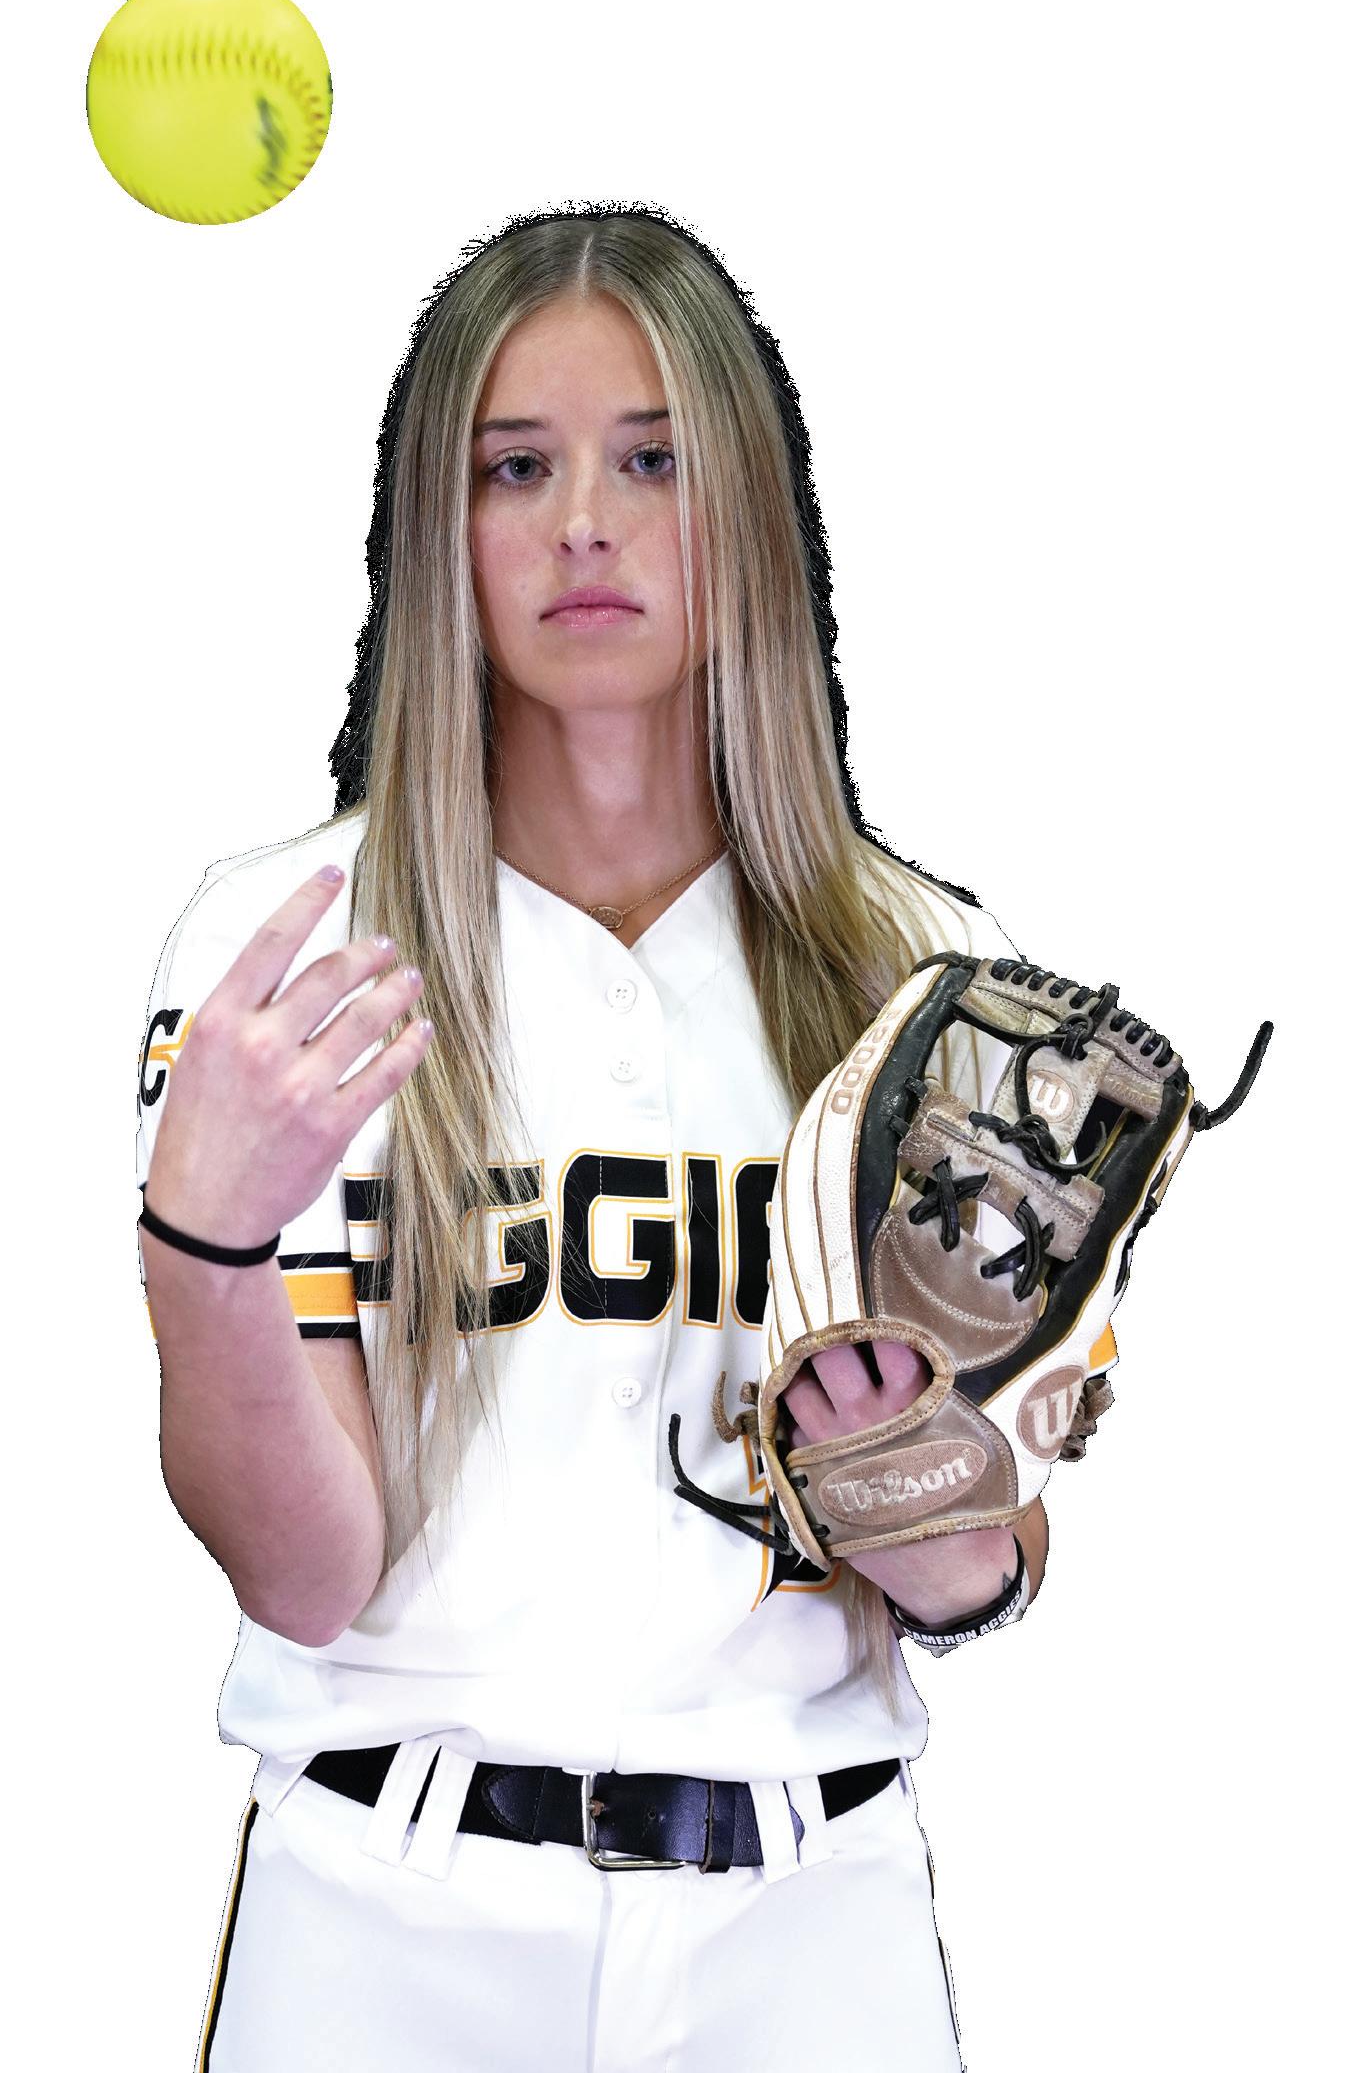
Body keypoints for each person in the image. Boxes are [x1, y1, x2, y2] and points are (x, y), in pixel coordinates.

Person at [136, 203, 1103, 2073]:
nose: (585, 519)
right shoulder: (292, 950)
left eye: (651, 459)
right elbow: (302, 1575)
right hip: (389, 1909)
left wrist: (926, 1494)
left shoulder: (924, 972)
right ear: (440, 532)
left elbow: (988, 1569)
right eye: (517, 467)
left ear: (746, 506)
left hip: (806, 1925)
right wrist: (208, 1251)